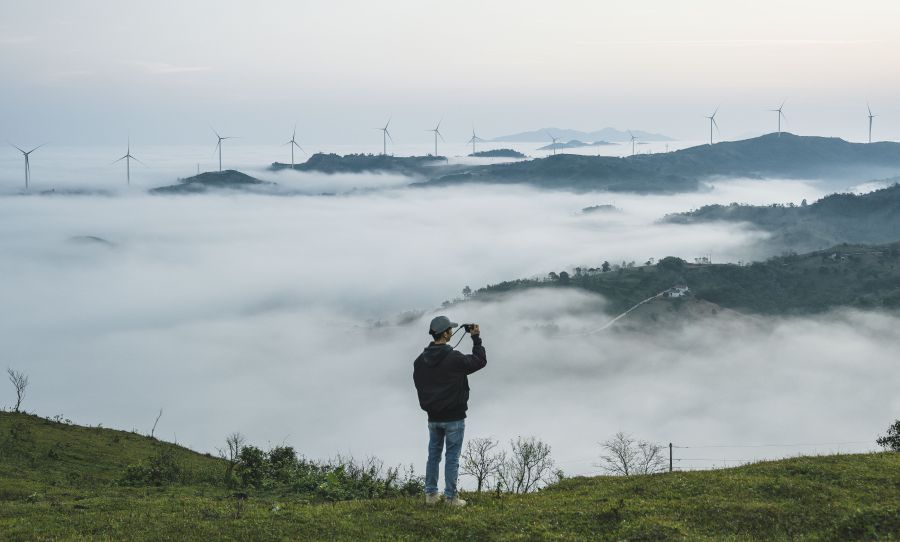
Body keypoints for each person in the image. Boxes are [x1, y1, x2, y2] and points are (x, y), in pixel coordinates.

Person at [413, 315, 487, 507]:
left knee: (433, 455)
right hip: (454, 417)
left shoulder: (419, 361)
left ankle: (430, 495)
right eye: (450, 329)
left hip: (433, 417)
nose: (452, 332)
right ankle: (451, 498)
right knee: (451, 457)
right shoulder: (454, 358)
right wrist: (476, 337)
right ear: (445, 333)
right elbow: (479, 361)